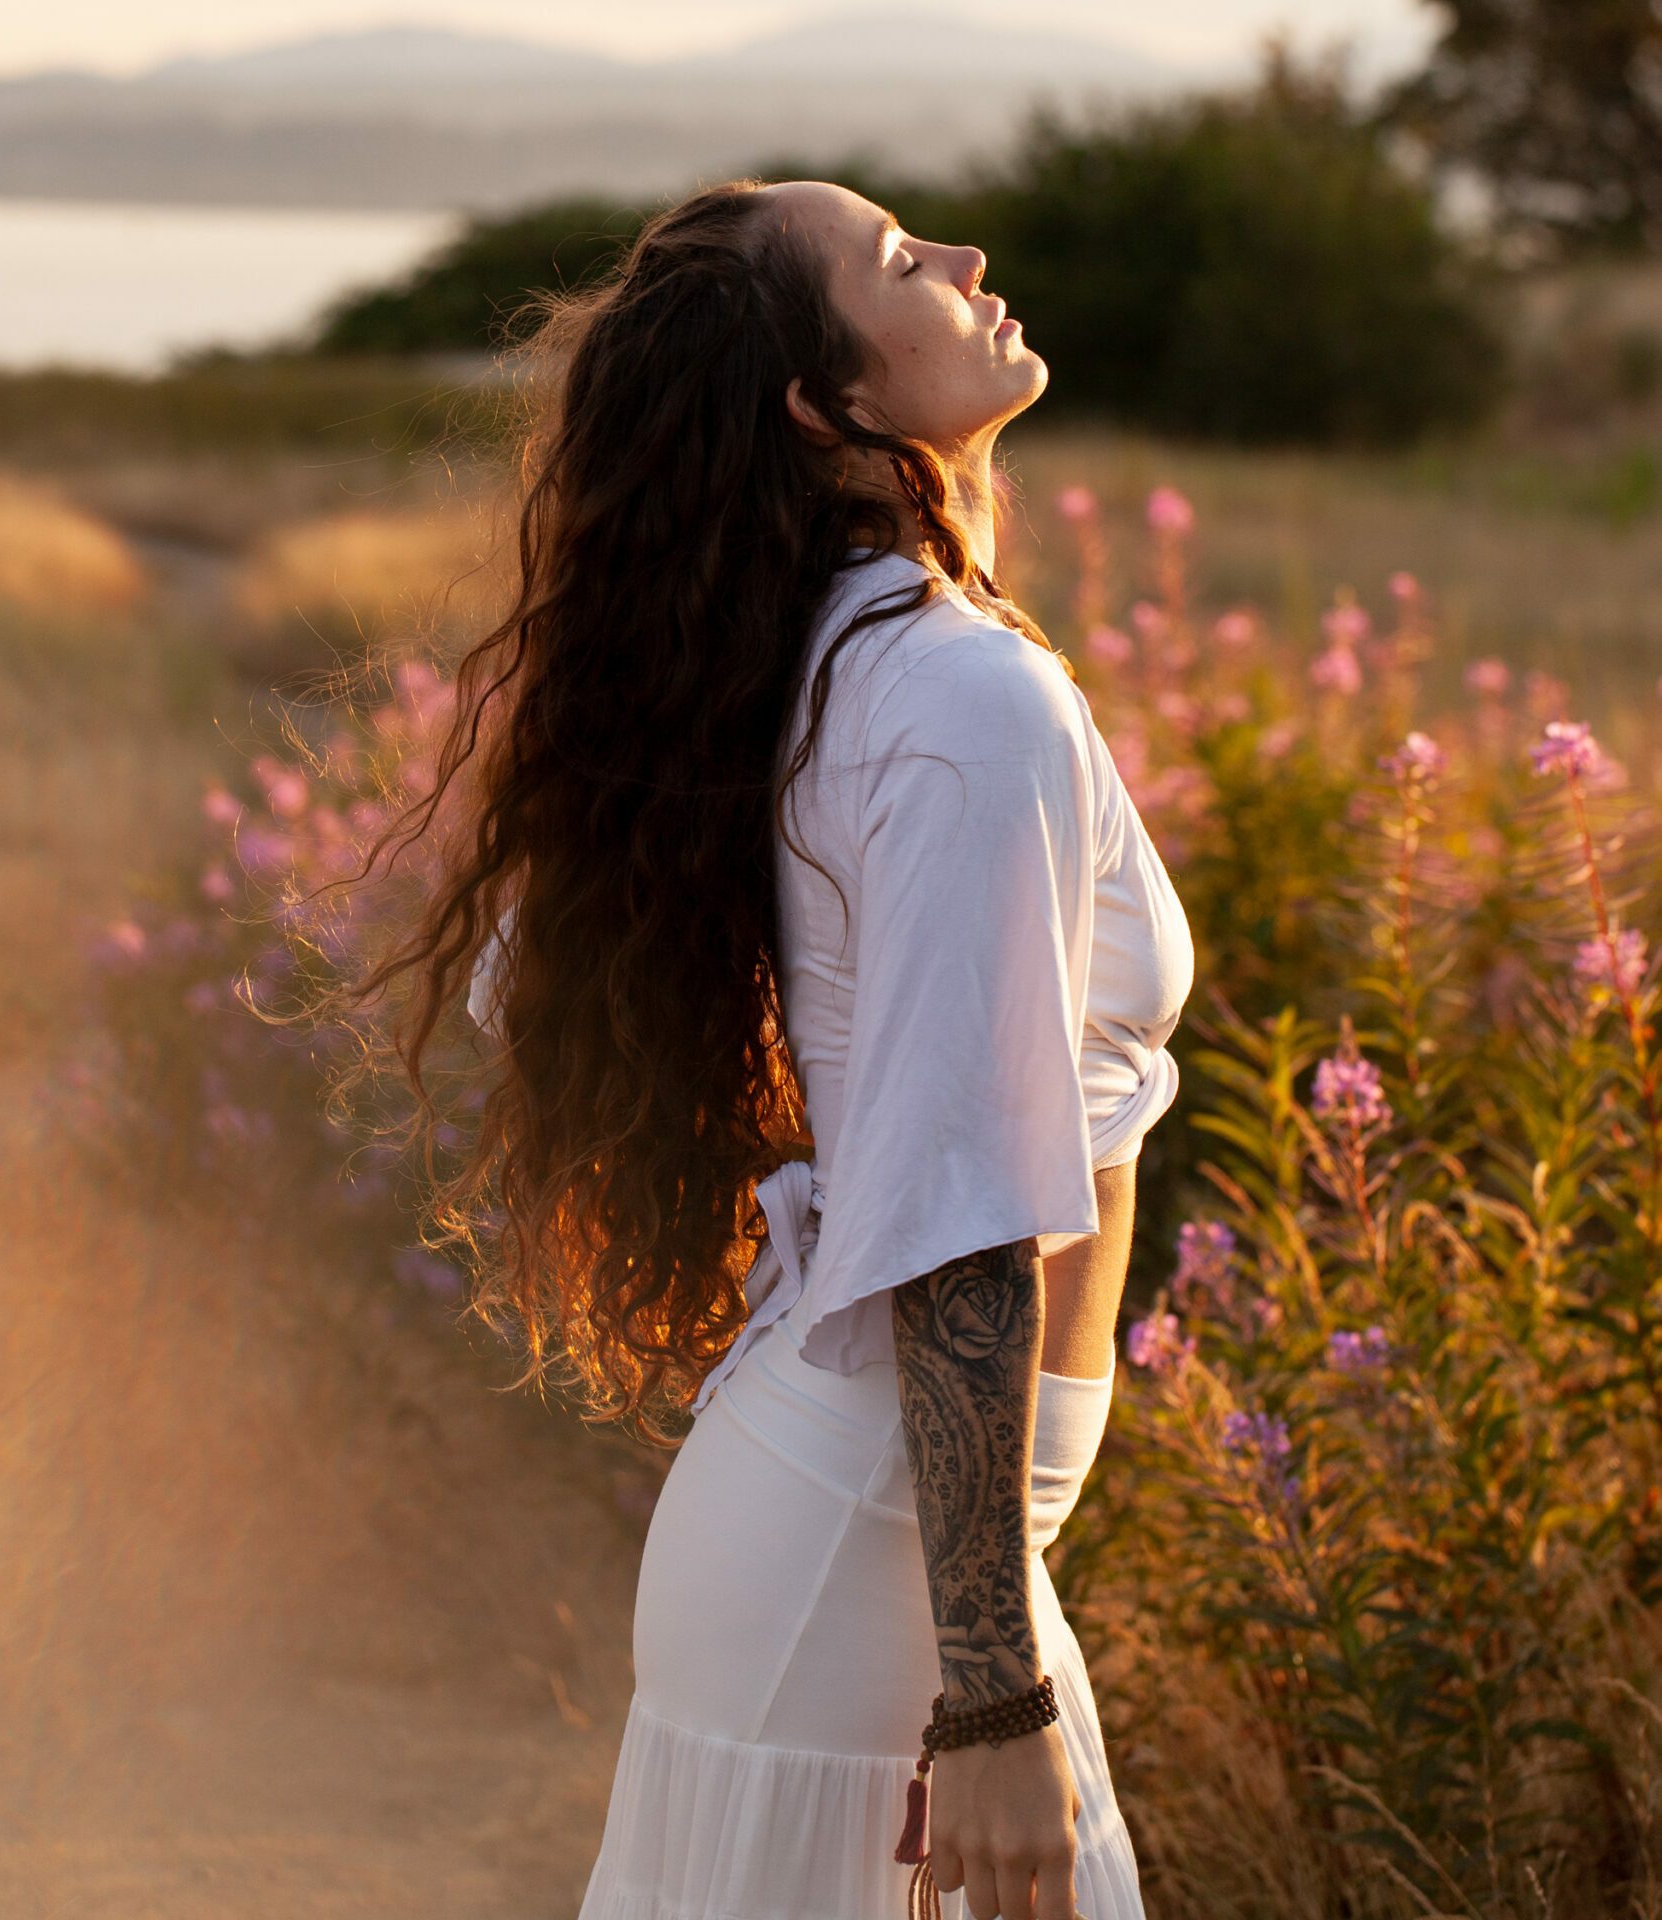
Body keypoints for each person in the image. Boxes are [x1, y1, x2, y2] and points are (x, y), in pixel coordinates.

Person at [451, 177, 1196, 1919]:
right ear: (825, 405)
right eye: (894, 263)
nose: (966, 259)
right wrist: (996, 1699)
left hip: (853, 1531)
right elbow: (957, 1223)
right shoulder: (949, 697)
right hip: (877, 1572)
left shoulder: (824, 655)